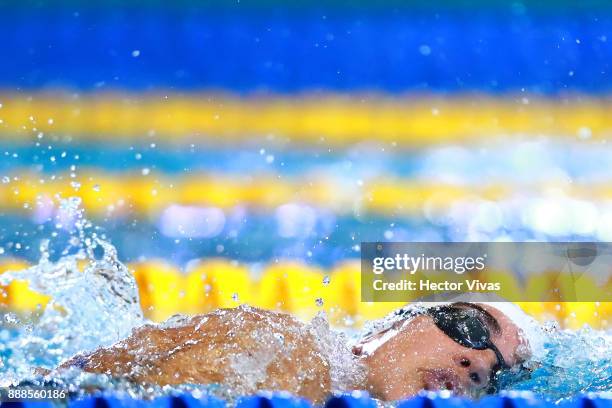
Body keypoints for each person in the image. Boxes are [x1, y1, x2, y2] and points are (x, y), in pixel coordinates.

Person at [54, 302, 530, 402]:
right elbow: (55, 390)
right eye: (469, 329)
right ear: (397, 324)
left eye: (496, 376)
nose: (478, 365)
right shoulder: (287, 354)